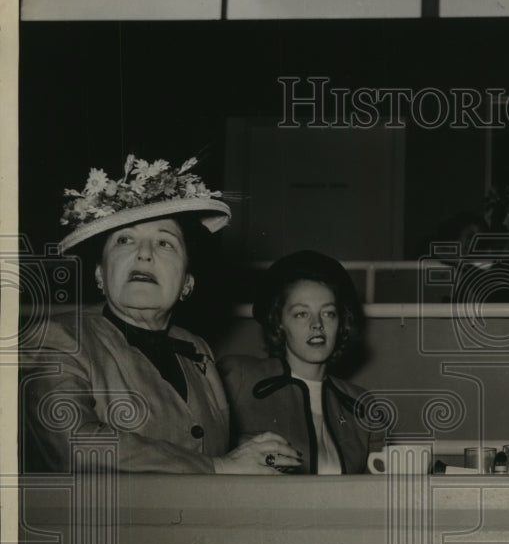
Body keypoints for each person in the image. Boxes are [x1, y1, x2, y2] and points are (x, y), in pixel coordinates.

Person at [22, 154, 301, 474]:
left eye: (165, 243)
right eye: (125, 240)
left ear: (186, 283)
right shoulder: (58, 338)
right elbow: (73, 444)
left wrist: (255, 451)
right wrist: (218, 467)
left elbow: (200, 442)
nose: (143, 253)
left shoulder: (196, 348)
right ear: (100, 274)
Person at [219, 250, 381, 474]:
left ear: (341, 323)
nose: (317, 325)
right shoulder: (238, 378)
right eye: (301, 314)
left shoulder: (362, 405)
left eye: (328, 313)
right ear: (279, 323)